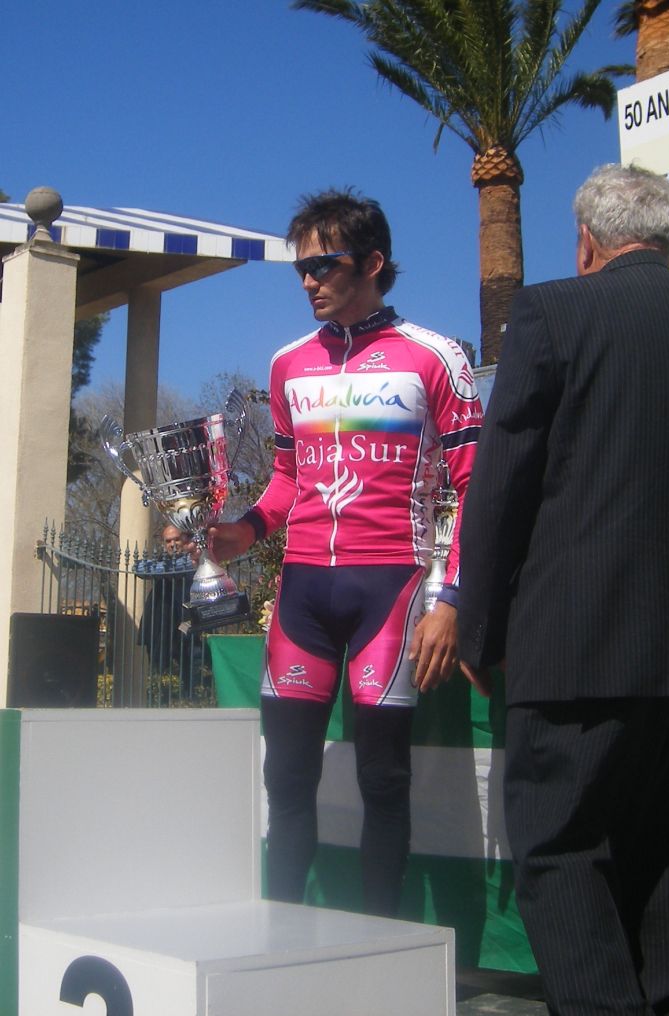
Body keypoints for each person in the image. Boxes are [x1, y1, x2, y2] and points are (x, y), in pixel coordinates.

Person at [456, 164, 669, 1016]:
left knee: (562, 853)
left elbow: (502, 483)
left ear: (587, 243)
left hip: (576, 644)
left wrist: (480, 625)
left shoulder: (552, 313)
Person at [208, 188, 481, 916]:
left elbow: (477, 488)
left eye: (322, 265)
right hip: (303, 593)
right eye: (300, 268)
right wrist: (242, 533)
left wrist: (452, 599)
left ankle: (380, 949)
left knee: (383, 783)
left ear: (373, 262)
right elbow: (286, 482)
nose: (307, 281)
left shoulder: (436, 356)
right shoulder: (288, 364)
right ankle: (277, 940)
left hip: (390, 593)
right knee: (285, 783)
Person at [137, 524, 196, 693]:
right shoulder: (161, 561)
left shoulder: (193, 560)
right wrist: (164, 567)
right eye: (168, 541)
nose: (172, 544)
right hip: (160, 628)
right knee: (158, 674)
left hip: (188, 626)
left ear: (185, 540)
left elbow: (185, 566)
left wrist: (164, 568)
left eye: (176, 539)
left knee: (192, 675)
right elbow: (139, 568)